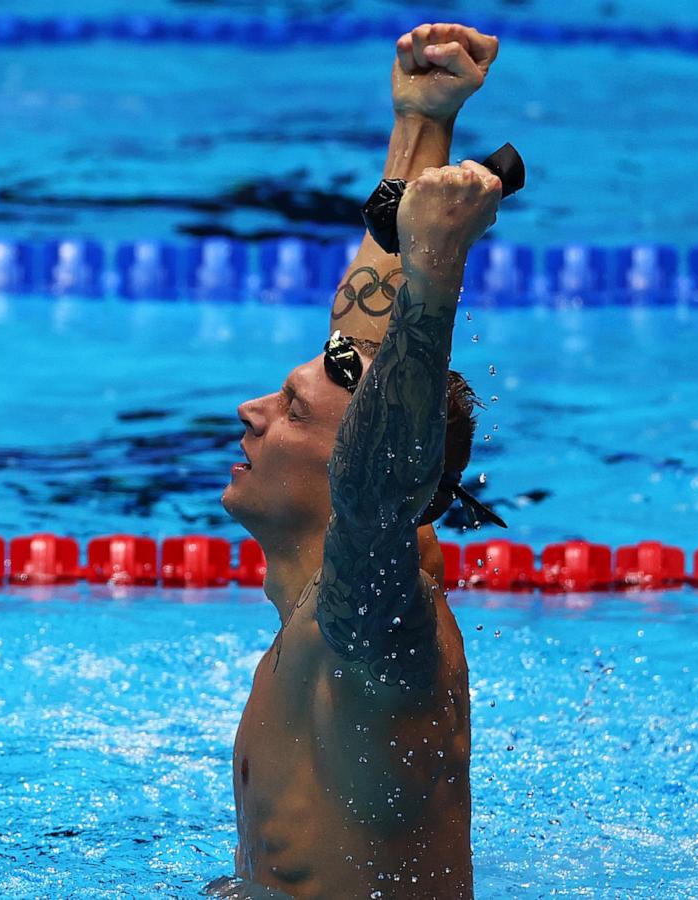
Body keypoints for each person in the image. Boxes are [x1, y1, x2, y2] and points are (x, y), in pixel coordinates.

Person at [212, 22, 505, 900]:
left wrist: (436, 276)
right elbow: (359, 341)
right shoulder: (326, 603)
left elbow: (384, 480)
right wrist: (423, 122)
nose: (252, 411)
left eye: (292, 407)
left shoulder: (374, 626)